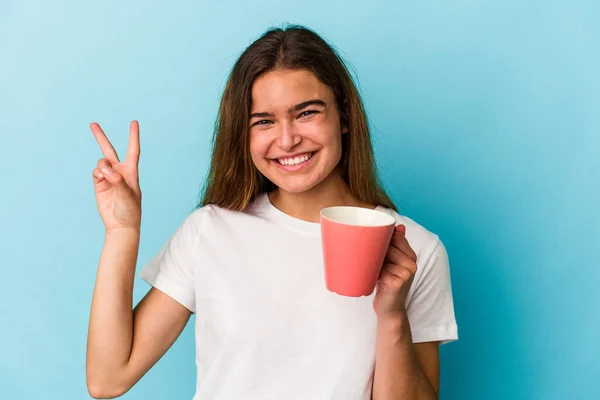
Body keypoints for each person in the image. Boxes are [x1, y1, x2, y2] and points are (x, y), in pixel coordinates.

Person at [86, 25, 458, 400]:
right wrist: (121, 231)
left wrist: (392, 315)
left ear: (344, 117)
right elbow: (108, 379)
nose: (286, 139)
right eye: (263, 121)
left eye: (306, 112)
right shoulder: (209, 231)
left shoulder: (415, 251)